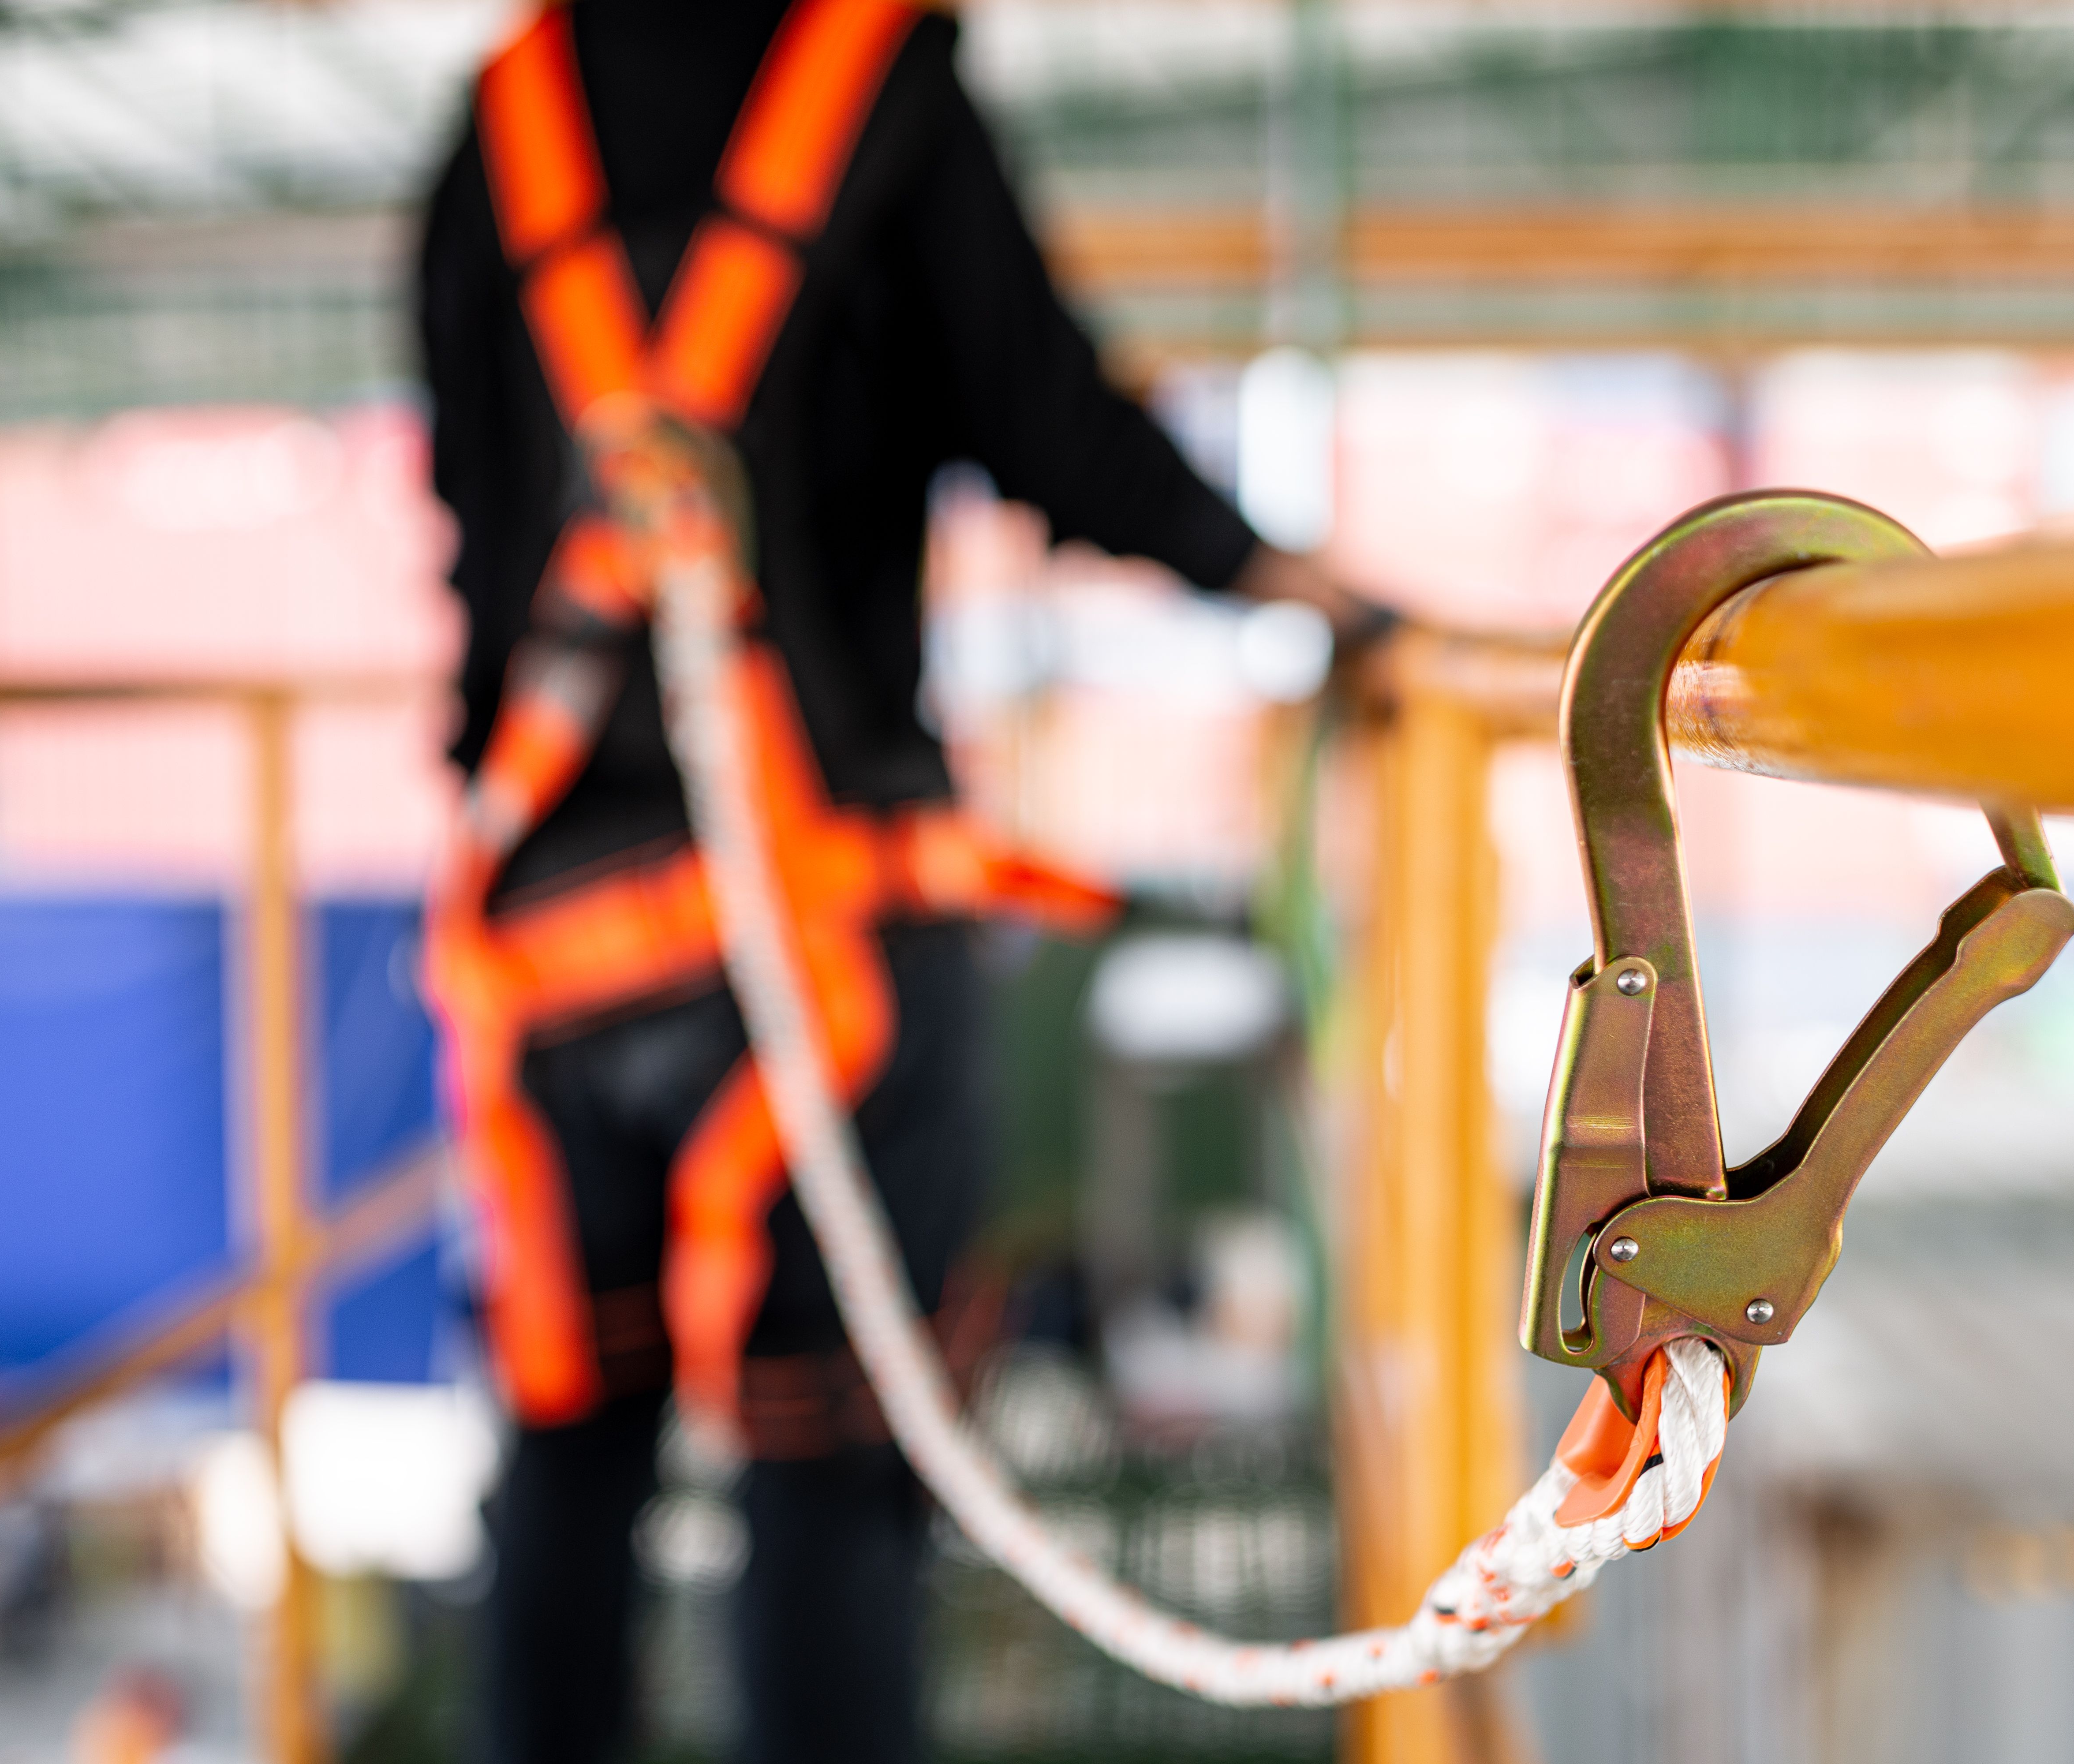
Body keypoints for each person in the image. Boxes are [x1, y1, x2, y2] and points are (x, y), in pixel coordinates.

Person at [411, 4, 1386, 1760]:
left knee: (568, 1463)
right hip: (818, 951)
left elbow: (475, 515)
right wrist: (1294, 584)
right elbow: (1051, 423)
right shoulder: (875, 92)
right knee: (826, 1481)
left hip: (557, 951)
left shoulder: (500, 126)